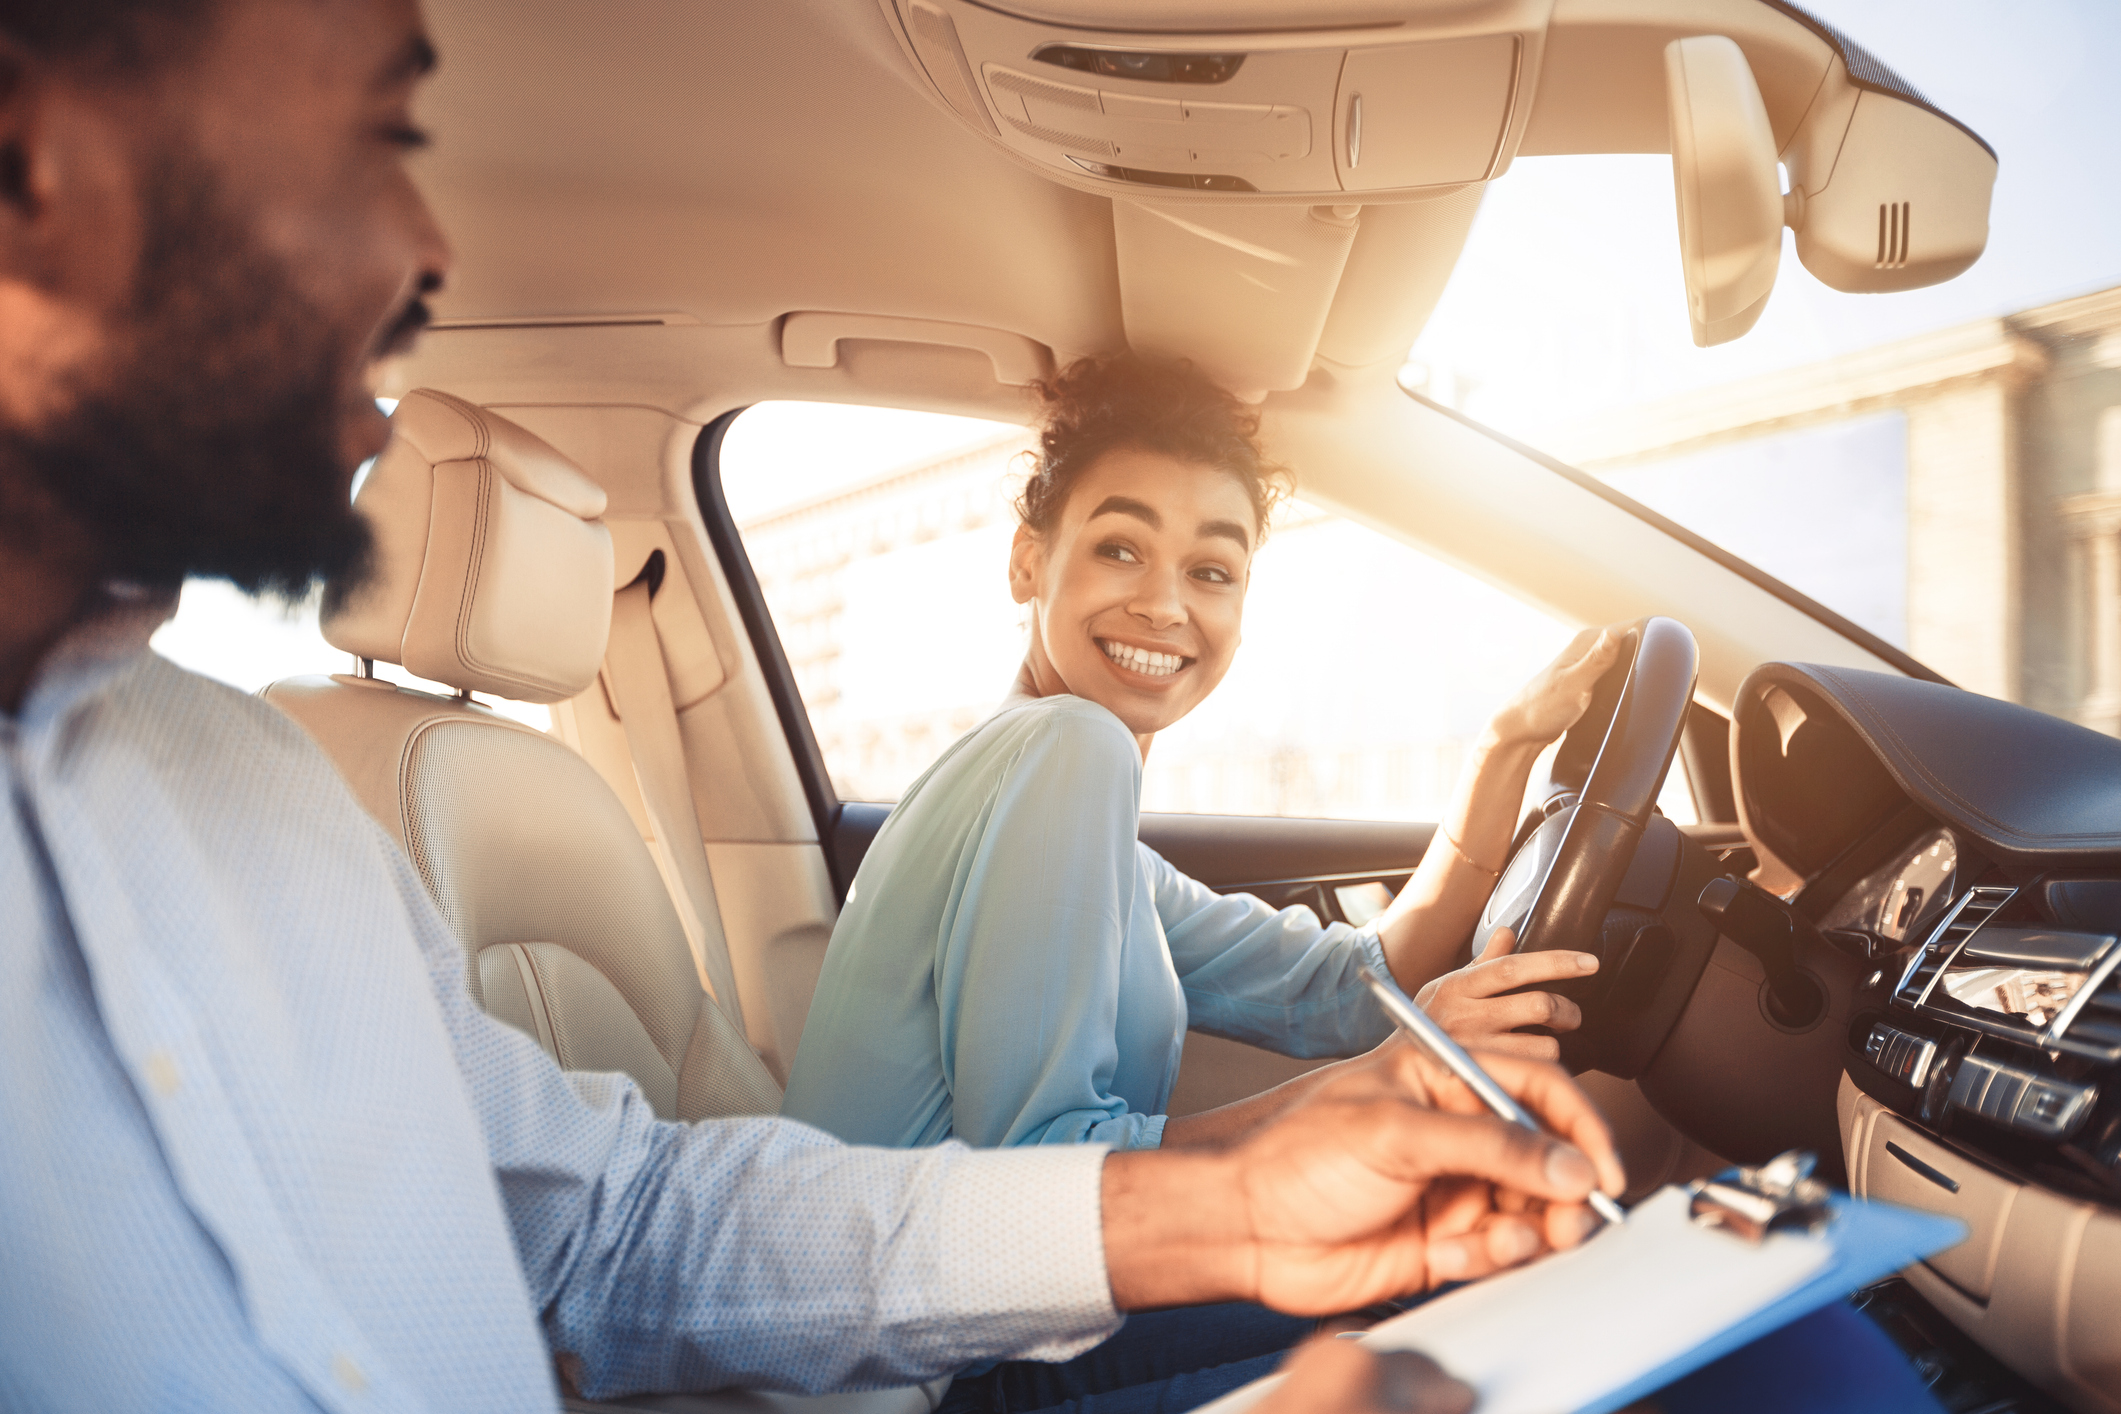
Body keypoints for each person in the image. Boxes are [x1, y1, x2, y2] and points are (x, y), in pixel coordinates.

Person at [0, 3, 1628, 1412]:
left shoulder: (248, 779)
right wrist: (1274, 1152)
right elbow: (1042, 1140)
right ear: (35, 155)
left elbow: (611, 1229)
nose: (425, 244)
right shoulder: (1048, 756)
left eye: (1220, 566)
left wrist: (1246, 1199)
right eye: (361, 135)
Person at [781, 355, 1621, 1153]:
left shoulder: (1077, 820)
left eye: (1211, 570)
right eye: (1119, 549)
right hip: (924, 1297)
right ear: (1027, 561)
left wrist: (1502, 746)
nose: (1163, 604)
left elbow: (1349, 987)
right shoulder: (1070, 746)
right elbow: (1040, 1164)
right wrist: (1384, 1083)